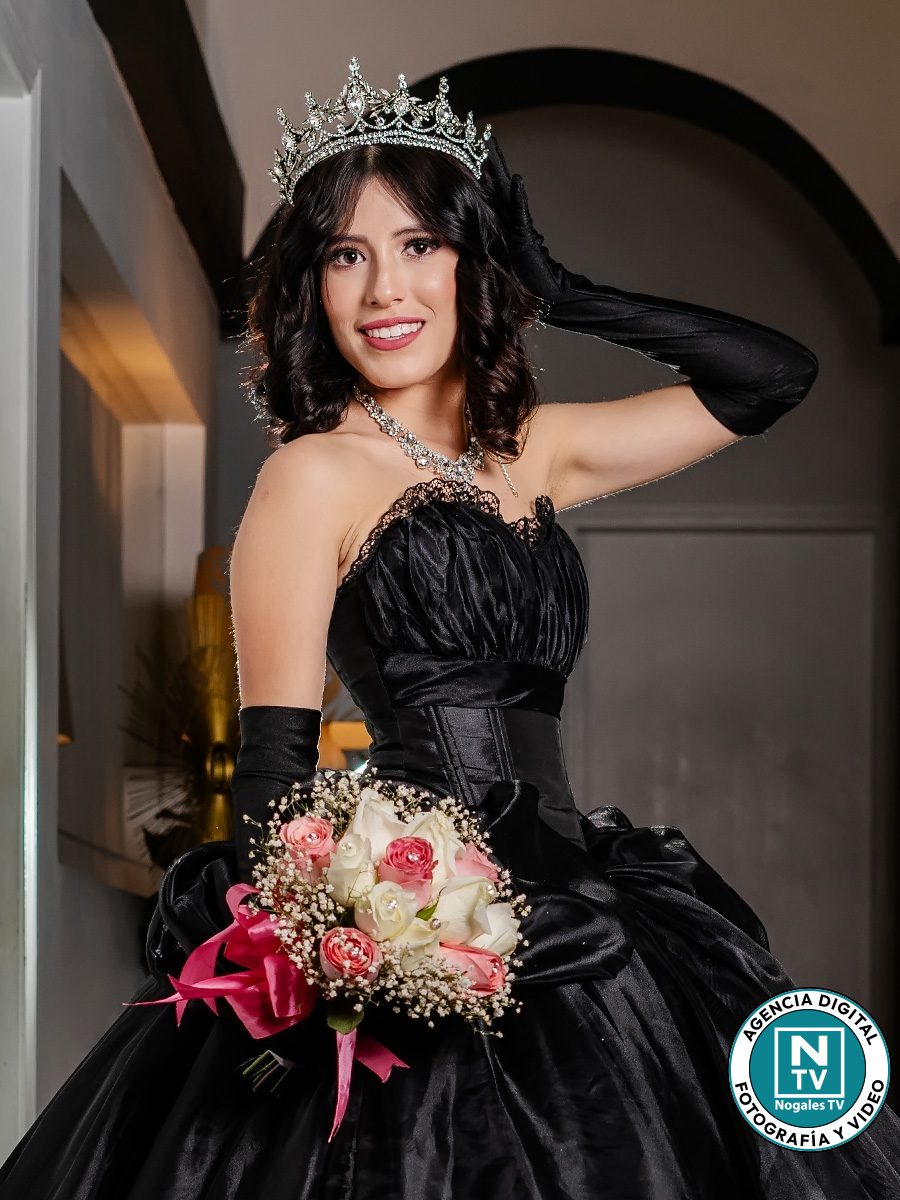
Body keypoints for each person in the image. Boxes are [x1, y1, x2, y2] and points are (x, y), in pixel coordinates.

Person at [1, 56, 898, 1200]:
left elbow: (771, 377)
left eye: (420, 243)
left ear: (475, 259)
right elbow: (275, 774)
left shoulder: (537, 451)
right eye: (345, 254)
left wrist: (566, 293)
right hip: (416, 920)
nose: (385, 289)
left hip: (582, 903)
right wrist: (351, 951)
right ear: (312, 286)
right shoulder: (311, 478)